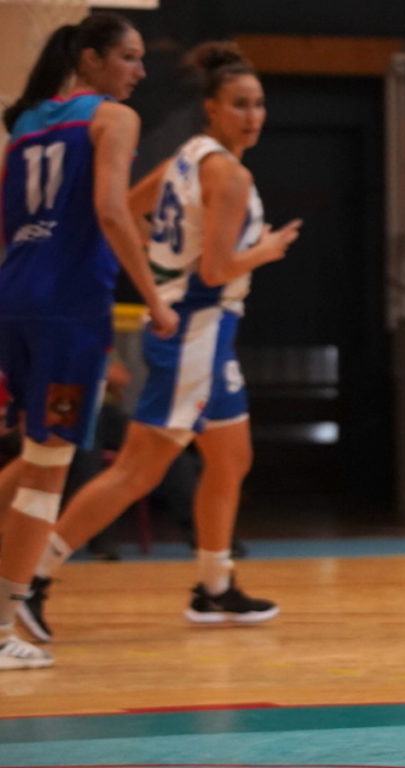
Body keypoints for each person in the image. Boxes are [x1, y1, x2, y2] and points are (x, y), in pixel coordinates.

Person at [18, 41, 298, 643]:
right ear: (213, 110)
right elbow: (219, 269)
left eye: (259, 104)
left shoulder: (188, 156)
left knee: (230, 458)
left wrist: (161, 266)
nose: (253, 116)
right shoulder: (228, 171)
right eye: (240, 105)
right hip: (197, 326)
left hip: (205, 328)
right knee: (139, 472)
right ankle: (31, 582)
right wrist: (267, 249)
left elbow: (127, 206)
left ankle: (214, 585)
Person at [0, 13, 178, 670]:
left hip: (13, 301)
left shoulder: (26, 123)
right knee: (48, 473)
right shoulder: (112, 118)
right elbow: (110, 209)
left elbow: (5, 219)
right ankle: (1, 627)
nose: (140, 70)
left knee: (34, 456)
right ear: (95, 60)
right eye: (130, 58)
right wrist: (154, 296)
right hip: (68, 311)